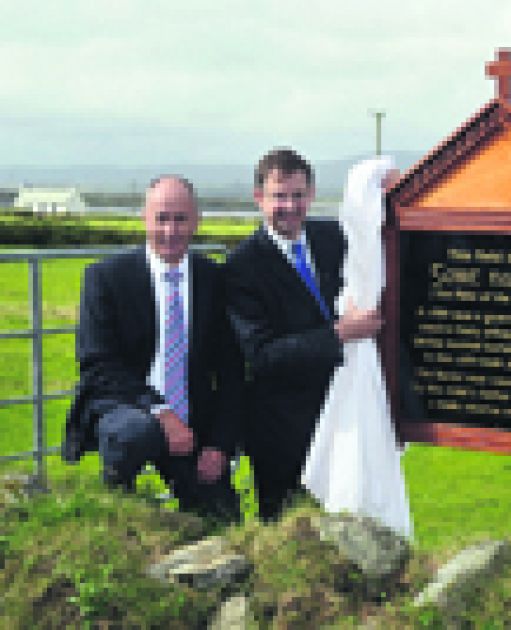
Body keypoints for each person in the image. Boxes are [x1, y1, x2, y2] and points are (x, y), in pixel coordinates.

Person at [62, 175, 241, 520]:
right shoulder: (106, 278)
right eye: (161, 218)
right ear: (144, 217)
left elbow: (231, 370)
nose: (171, 231)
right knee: (134, 433)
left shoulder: (214, 280)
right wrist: (160, 411)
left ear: (196, 220)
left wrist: (219, 445)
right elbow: (98, 365)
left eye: (180, 219)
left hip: (192, 424)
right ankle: (116, 507)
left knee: (223, 520)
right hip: (125, 407)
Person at [225, 148, 383, 521]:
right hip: (281, 427)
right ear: (258, 197)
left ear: (311, 194)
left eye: (298, 195)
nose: (290, 206)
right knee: (285, 532)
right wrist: (339, 334)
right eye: (279, 196)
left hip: (344, 409)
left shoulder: (334, 236)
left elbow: (376, 228)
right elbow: (261, 354)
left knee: (353, 519)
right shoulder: (241, 267)